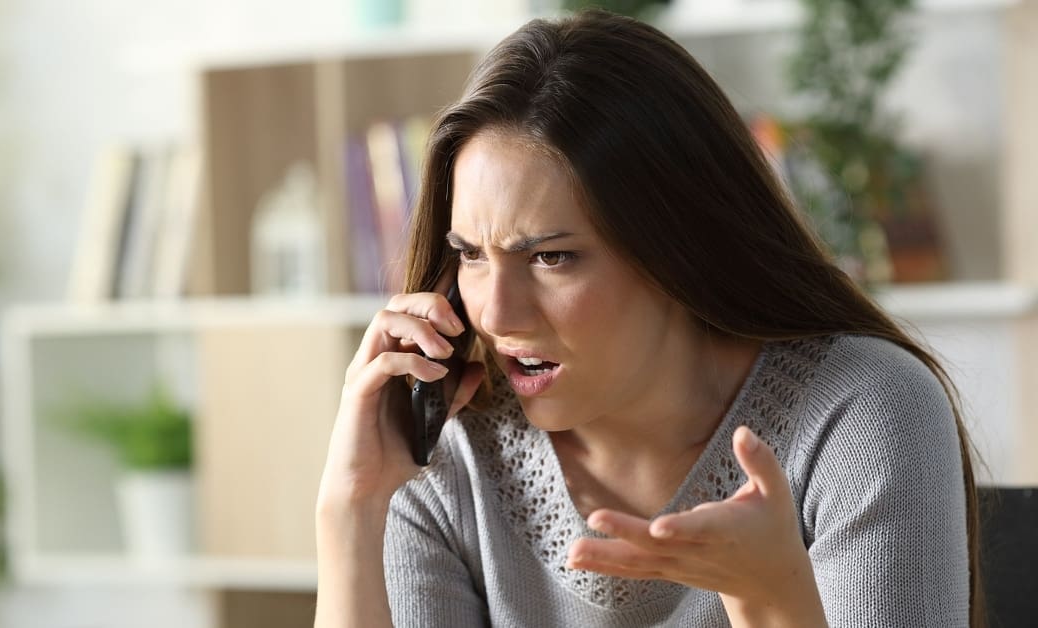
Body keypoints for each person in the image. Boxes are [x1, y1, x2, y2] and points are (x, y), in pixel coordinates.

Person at [315, 9, 979, 627]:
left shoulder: (861, 412)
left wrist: (771, 599)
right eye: (470, 255)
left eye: (551, 257)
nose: (495, 312)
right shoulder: (440, 455)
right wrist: (351, 510)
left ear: (679, 250)